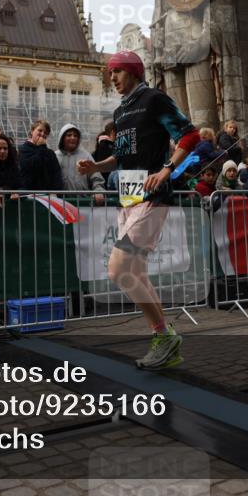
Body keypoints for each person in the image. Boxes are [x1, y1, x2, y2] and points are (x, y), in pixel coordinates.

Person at [77, 50, 200, 371]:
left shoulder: (154, 99)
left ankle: (164, 335)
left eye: (116, 72)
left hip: (152, 191)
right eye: (110, 73)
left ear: (132, 71)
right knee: (135, 271)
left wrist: (168, 169)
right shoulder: (120, 112)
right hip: (129, 193)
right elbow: (120, 156)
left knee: (118, 270)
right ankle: (165, 338)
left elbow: (191, 135)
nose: (112, 78)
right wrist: (96, 164)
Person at [55, 123, 106, 204]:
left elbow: (96, 177)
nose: (73, 138)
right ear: (62, 138)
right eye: (69, 135)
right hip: (60, 205)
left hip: (84, 204)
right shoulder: (55, 156)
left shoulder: (86, 156)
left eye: (75, 136)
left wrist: (98, 191)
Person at [19, 120, 64, 192]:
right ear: (32, 131)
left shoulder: (50, 153)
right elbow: (31, 167)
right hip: (29, 195)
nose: (42, 134)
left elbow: (56, 174)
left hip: (47, 197)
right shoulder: (22, 149)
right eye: (40, 130)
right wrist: (41, 147)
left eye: (46, 133)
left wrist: (56, 192)